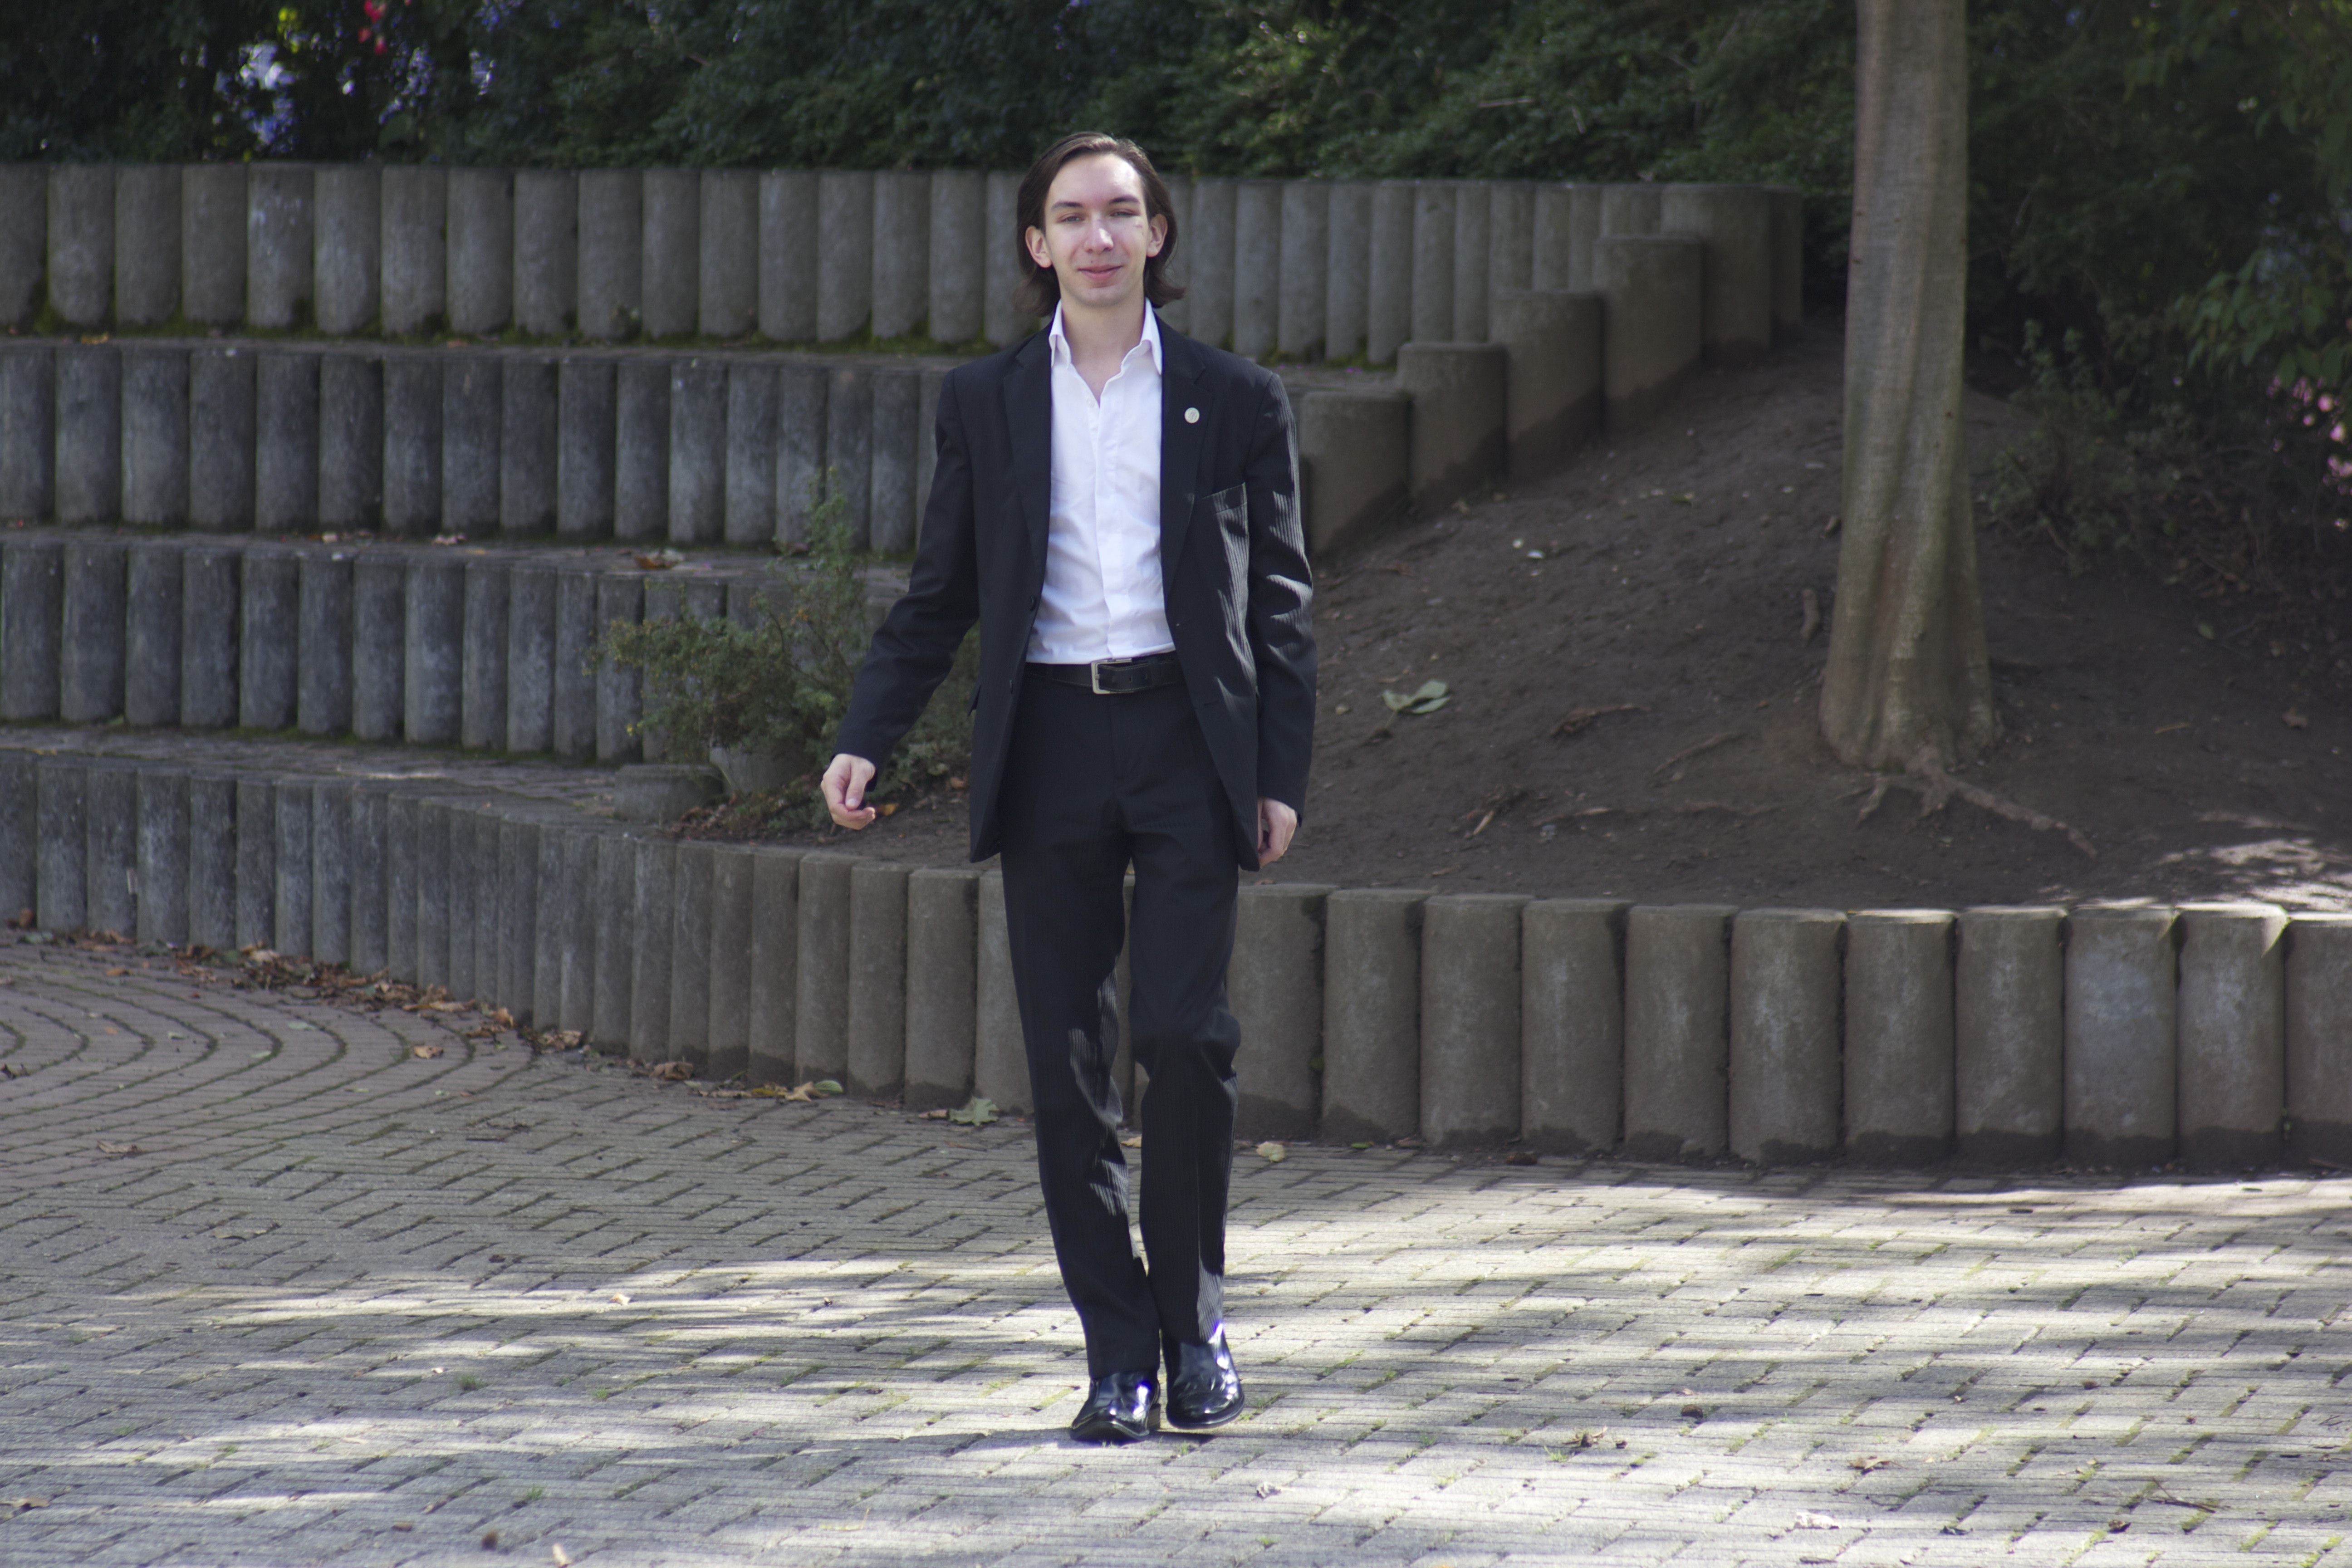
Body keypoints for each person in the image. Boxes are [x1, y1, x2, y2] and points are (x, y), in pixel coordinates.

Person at [820, 131, 1316, 1444]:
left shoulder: (1235, 398)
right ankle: (1119, 1357)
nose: (1100, 236)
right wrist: (869, 734)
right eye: (1073, 217)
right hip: (1047, 744)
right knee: (1068, 1063)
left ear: (1159, 233)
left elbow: (1281, 603)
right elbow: (941, 594)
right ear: (1037, 246)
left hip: (1188, 744)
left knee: (1187, 1038)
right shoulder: (986, 401)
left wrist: (1278, 775)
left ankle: (1196, 1329)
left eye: (1122, 213)